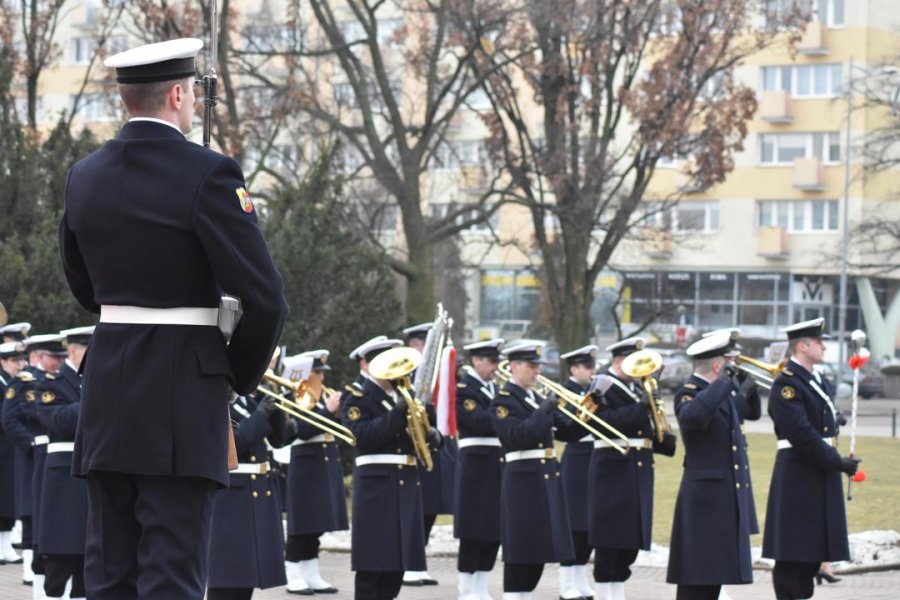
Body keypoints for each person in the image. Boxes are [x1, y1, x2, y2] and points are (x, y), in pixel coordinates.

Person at [57, 38, 288, 600]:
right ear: (180, 94)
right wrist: (230, 375)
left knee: (109, 572)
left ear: (127, 99)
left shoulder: (83, 174)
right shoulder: (209, 173)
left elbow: (85, 288)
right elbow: (265, 299)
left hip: (108, 378)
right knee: (173, 571)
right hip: (183, 389)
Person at [762, 318, 859, 600]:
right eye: (819, 342)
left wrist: (834, 422)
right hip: (798, 476)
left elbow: (818, 424)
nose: (824, 347)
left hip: (816, 472)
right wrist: (837, 461)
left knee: (810, 552)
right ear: (803, 346)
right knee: (793, 554)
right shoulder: (787, 383)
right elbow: (801, 434)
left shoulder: (813, 379)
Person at [666, 333, 757, 600]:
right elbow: (692, 419)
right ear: (718, 366)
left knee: (712, 576)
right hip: (703, 500)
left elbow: (748, 411)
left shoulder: (720, 394)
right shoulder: (688, 393)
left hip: (723, 498)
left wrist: (748, 389)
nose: (735, 364)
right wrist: (723, 384)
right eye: (730, 361)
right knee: (696, 580)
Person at [341, 337, 433, 600]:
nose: (393, 369)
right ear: (367, 364)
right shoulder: (356, 397)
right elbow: (362, 435)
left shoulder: (403, 393)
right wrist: (398, 414)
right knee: (373, 565)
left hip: (404, 484)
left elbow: (412, 436)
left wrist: (431, 434)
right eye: (385, 362)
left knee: (397, 565)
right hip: (376, 489)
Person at [490, 341, 583, 600]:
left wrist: (589, 410)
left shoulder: (536, 399)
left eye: (537, 366)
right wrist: (544, 410)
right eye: (531, 366)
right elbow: (518, 436)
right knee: (521, 550)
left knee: (538, 551)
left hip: (545, 480)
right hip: (522, 481)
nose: (536, 371)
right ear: (513, 367)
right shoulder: (502, 401)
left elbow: (570, 432)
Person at [589, 338, 676, 600]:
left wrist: (662, 436)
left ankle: (617, 590)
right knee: (610, 537)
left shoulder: (638, 389)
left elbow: (644, 429)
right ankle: (605, 592)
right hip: (613, 470)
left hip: (637, 468)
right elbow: (602, 422)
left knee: (628, 540)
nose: (640, 368)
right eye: (632, 362)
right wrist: (642, 409)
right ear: (617, 361)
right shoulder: (601, 386)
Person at [206, 377, 291, 600]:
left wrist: (274, 407)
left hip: (256, 494)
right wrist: (261, 414)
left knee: (246, 578)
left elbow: (279, 439)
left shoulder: (248, 402)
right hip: (231, 496)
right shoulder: (213, 401)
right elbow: (232, 443)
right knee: (226, 578)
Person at [34, 327, 94, 599]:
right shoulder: (50, 382)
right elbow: (58, 421)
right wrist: (96, 398)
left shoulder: (100, 380)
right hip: (64, 477)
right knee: (60, 557)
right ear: (73, 351)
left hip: (94, 472)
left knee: (89, 557)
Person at [3, 333, 65, 592]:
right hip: (34, 455)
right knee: (31, 511)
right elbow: (10, 420)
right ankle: (31, 569)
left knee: (53, 513)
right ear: (39, 357)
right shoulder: (23, 383)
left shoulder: (60, 381)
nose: (59, 362)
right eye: (54, 357)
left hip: (55, 454)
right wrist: (30, 444)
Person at [283, 350, 348, 595]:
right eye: (318, 372)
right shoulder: (296, 396)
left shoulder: (322, 397)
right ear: (306, 374)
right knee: (301, 523)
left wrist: (338, 412)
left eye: (322, 372)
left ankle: (311, 571)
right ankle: (293, 572)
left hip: (323, 462)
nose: (322, 377)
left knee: (316, 522)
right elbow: (300, 429)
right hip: (305, 463)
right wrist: (328, 412)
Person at [402, 322, 455, 587]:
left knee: (431, 505)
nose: (426, 350)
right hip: (411, 448)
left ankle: (418, 558)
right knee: (415, 507)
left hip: (431, 445)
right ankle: (408, 562)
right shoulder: (405, 372)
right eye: (422, 344)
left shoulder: (435, 373)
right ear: (412, 345)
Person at [454, 338, 505, 600]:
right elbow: (480, 422)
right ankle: (466, 586)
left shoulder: (494, 389)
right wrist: (506, 407)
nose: (497, 367)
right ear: (477, 361)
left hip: (496, 460)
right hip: (475, 462)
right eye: (492, 361)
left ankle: (482, 583)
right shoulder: (464, 389)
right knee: (474, 526)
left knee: (493, 527)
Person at [557, 344, 599, 600]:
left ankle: (580, 579)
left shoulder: (592, 391)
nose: (592, 371)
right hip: (576, 458)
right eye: (587, 366)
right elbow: (566, 428)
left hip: (593, 455)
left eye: (594, 366)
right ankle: (566, 583)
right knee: (573, 523)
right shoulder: (565, 392)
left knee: (589, 524)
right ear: (574, 368)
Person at [0, 337, 29, 565]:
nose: (19, 365)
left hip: (9, 448)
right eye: (14, 361)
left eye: (21, 360)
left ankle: (6, 545)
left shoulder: (14, 382)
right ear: (3, 362)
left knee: (8, 498)